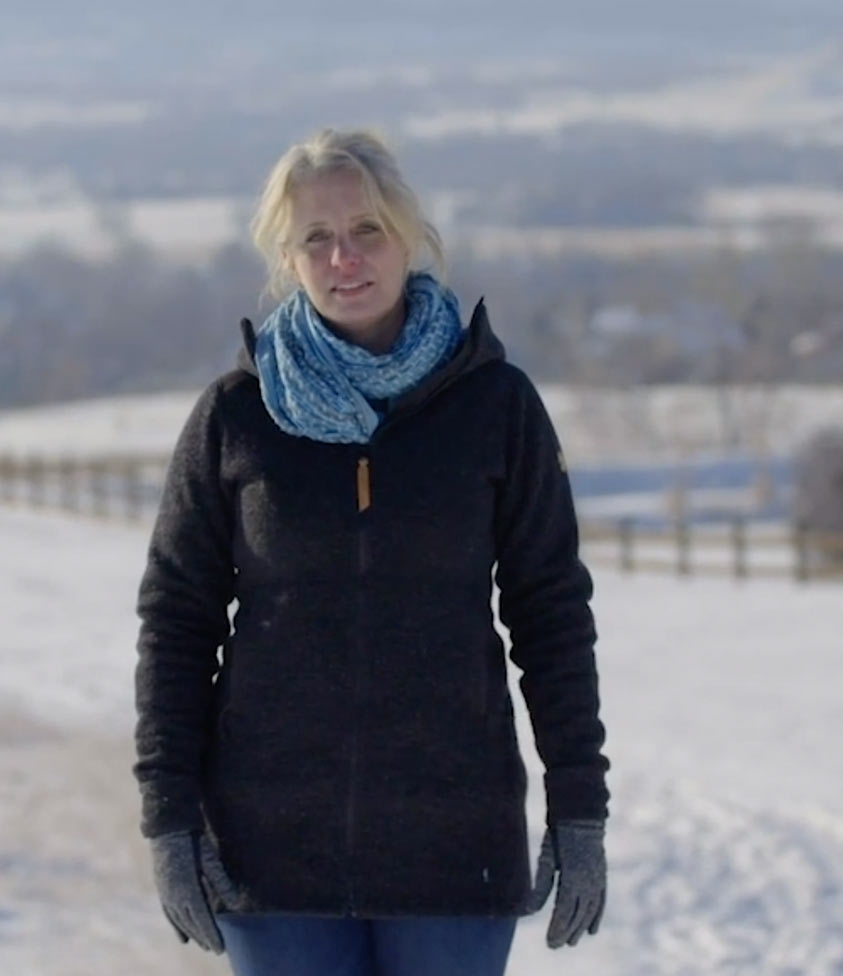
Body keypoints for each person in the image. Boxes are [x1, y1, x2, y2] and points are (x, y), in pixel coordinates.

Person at [132, 127, 610, 976]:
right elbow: (176, 619)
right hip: (269, 849)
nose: (344, 258)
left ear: (409, 235)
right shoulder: (237, 416)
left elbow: (551, 615)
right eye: (316, 238)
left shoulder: (495, 406)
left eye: (366, 231)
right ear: (288, 255)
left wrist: (580, 807)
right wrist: (171, 820)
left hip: (456, 843)